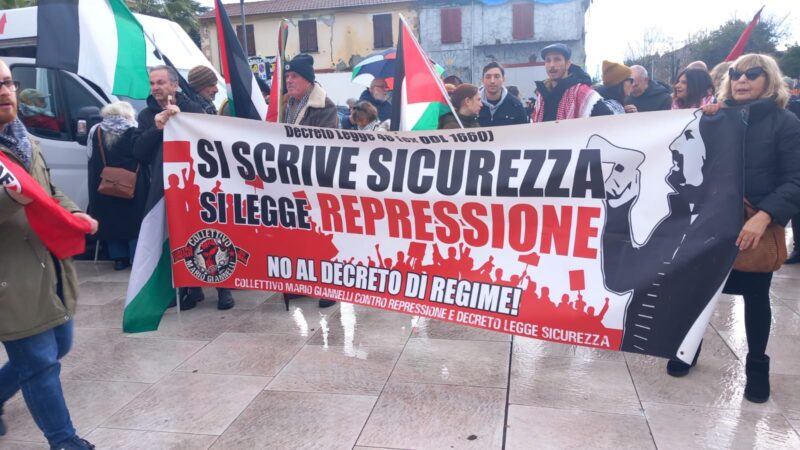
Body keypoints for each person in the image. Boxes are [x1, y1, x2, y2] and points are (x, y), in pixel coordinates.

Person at [674, 54, 800, 403]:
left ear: (768, 79)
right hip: (711, 222)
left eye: (752, 74)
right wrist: (701, 121)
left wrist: (765, 215)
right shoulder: (715, 118)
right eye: (735, 73)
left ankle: (757, 366)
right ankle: (687, 349)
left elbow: (796, 178)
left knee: (755, 296)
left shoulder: (785, 123)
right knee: (699, 291)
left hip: (754, 226)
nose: (742, 80)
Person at [0, 60, 98, 450]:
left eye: (8, 83)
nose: (4, 91)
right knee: (40, 364)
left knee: (59, 345)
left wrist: (73, 212)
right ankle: (65, 441)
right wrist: (13, 196)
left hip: (49, 267)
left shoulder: (23, 139)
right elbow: (22, 197)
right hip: (11, 279)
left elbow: (48, 190)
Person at [132, 66, 235, 311]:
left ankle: (223, 288)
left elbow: (211, 141)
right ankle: (190, 288)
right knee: (178, 239)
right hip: (166, 187)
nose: (155, 88)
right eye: (152, 83)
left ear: (175, 85)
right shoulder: (146, 115)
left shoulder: (193, 109)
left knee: (210, 235)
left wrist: (183, 121)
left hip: (198, 187)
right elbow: (138, 151)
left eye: (160, 82)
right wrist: (156, 129)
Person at [281, 54, 338, 308]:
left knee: (323, 236)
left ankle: (330, 286)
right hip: (291, 179)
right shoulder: (286, 104)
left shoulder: (324, 106)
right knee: (299, 234)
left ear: (308, 80)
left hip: (317, 180)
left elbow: (324, 144)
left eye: (294, 76)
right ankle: (305, 283)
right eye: (287, 76)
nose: (289, 80)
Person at [86, 102, 148, 271]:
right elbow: (143, 154)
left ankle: (119, 259)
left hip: (105, 184)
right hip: (133, 185)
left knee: (110, 220)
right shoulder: (135, 129)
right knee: (134, 222)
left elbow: (90, 155)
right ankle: (136, 257)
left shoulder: (96, 130)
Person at [531, 43, 611, 122]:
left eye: (557, 59)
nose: (551, 65)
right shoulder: (541, 96)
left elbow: (607, 122)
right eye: (548, 60)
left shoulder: (582, 93)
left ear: (568, 64)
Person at [478, 62, 528, 126]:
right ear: (482, 80)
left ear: (503, 79)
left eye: (497, 76)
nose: (492, 81)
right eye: (488, 77)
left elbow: (523, 131)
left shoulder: (516, 105)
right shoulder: (472, 103)